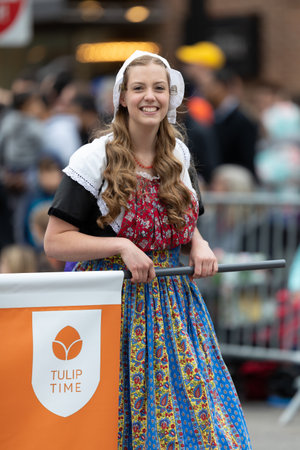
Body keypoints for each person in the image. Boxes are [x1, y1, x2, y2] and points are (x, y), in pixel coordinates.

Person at [44, 50, 252, 449]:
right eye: (138, 88)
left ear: (172, 96)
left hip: (175, 306)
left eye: (160, 88)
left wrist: (200, 243)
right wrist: (121, 245)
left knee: (202, 421)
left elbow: (187, 225)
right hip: (109, 304)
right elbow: (55, 240)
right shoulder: (93, 158)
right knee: (114, 419)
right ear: (122, 97)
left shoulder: (178, 154)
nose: (149, 96)